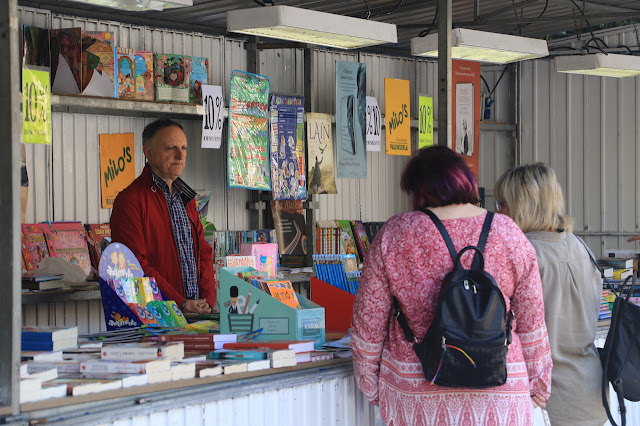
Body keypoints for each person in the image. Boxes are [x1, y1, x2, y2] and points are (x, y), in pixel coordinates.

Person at [351, 146, 552, 426]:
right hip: (501, 401)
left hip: (416, 401)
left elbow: (367, 325)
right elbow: (532, 323)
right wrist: (539, 384)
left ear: (419, 190)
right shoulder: (509, 232)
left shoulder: (395, 234)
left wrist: (371, 388)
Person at [494, 163, 607, 426]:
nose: (496, 213)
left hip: (544, 404)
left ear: (522, 206)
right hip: (590, 392)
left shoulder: (523, 254)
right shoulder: (580, 246)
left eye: (501, 204)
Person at [110, 118, 214, 314]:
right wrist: (179, 303)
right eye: (171, 148)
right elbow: (134, 264)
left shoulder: (187, 198)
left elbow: (204, 254)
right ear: (148, 152)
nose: (180, 155)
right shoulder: (130, 200)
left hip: (197, 314)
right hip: (157, 316)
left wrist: (206, 302)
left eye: (184, 148)